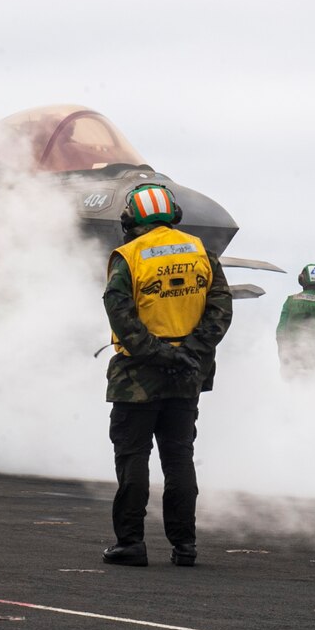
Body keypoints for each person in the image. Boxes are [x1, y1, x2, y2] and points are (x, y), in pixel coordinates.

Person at [101, 183, 232, 568]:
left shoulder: (129, 256)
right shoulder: (199, 251)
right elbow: (220, 309)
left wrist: (158, 354)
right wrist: (188, 352)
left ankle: (131, 543)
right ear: (172, 214)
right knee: (178, 459)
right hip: (187, 375)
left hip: (137, 376)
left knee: (133, 457)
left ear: (131, 220)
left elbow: (120, 315)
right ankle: (185, 546)